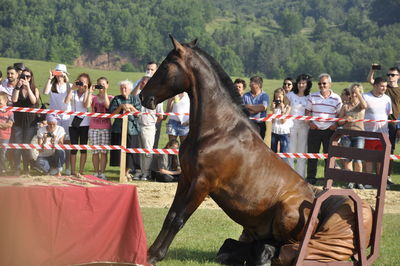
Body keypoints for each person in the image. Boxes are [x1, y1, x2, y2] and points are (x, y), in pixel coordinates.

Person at [305, 73, 342, 185]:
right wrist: (309, 123)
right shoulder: (312, 96)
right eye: (320, 83)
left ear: (330, 84)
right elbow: (307, 111)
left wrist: (336, 125)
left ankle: (329, 178)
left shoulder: (336, 98)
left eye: (324, 83)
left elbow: (340, 114)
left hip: (329, 130)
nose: (322, 85)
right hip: (315, 129)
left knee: (329, 156)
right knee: (312, 155)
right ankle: (311, 178)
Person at [368, 65, 399, 185]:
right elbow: (371, 81)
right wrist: (372, 70)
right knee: (381, 150)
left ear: (398, 76)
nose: (390, 77)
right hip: (384, 122)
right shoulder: (383, 87)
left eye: (393, 75)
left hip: (395, 123)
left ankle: (387, 176)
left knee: (390, 151)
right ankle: (380, 177)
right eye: (388, 75)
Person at [109, 80, 141, 180]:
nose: (123, 90)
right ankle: (122, 172)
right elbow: (112, 113)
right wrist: (121, 107)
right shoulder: (116, 99)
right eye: (122, 88)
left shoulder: (135, 99)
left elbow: (138, 114)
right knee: (119, 152)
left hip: (132, 130)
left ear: (130, 89)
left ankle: (126, 172)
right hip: (118, 129)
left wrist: (131, 107)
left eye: (125, 88)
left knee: (130, 152)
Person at [43, 64, 72, 175]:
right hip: (53, 115)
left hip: (66, 115)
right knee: (53, 140)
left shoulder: (68, 85)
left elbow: (70, 94)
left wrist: (67, 80)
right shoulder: (52, 84)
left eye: (61, 73)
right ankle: (54, 166)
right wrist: (50, 78)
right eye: (57, 72)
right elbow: (45, 92)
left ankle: (67, 167)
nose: (59, 75)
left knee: (66, 141)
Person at [337, 83, 367, 189]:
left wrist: (358, 93)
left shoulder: (361, 105)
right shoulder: (345, 106)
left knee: (358, 159)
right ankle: (350, 181)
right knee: (347, 159)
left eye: (356, 92)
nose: (354, 95)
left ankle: (358, 181)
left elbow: (365, 106)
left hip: (359, 134)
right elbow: (339, 122)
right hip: (346, 135)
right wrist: (345, 118)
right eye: (353, 92)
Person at [134, 76, 163, 181]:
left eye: (144, 83)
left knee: (147, 151)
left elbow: (160, 116)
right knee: (140, 151)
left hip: (148, 127)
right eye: (141, 83)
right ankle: (141, 171)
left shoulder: (156, 97)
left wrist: (152, 123)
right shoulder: (138, 96)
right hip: (138, 125)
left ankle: (146, 173)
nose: (142, 85)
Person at [12, 67, 40, 175]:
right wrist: (18, 87)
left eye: (28, 76)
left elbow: (33, 101)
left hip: (30, 122)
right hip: (18, 121)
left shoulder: (34, 89)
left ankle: (26, 168)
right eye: (23, 76)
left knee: (26, 146)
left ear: (31, 78)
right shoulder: (17, 88)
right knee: (17, 146)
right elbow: (14, 100)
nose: (25, 78)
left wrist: (28, 87)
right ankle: (17, 168)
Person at [85, 77, 113, 180]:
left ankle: (102, 173)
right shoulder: (93, 97)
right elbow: (87, 105)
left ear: (107, 85)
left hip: (105, 127)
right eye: (99, 84)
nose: (101, 86)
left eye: (103, 84)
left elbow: (108, 106)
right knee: (95, 152)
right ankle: (96, 172)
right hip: (93, 127)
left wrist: (105, 92)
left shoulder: (110, 97)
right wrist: (89, 92)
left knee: (104, 152)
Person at [363, 77, 392, 177]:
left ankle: (380, 181)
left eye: (385, 86)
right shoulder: (365, 96)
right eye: (382, 86)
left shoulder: (387, 98)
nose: (384, 88)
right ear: (375, 86)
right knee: (368, 160)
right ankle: (368, 181)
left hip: (383, 135)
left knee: (381, 160)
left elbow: (388, 114)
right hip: (369, 135)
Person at [64, 73, 91, 177]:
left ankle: (81, 171)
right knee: (74, 147)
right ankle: (73, 171)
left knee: (83, 147)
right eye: (80, 81)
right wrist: (71, 88)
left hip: (84, 123)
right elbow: (66, 101)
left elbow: (86, 105)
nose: (82, 84)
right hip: (73, 123)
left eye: (84, 82)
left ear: (88, 83)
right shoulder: (73, 92)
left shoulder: (89, 93)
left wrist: (87, 90)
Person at [286, 74, 312, 177]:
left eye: (303, 83)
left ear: (307, 84)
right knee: (290, 150)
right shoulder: (290, 95)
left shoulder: (309, 97)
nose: (301, 85)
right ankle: (291, 175)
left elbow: (311, 111)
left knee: (302, 151)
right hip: (292, 125)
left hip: (304, 126)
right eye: (300, 83)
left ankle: (300, 176)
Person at [270, 88, 292, 160]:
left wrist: (282, 110)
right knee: (273, 153)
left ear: (283, 97)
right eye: (276, 97)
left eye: (279, 97)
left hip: (284, 133)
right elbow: (272, 121)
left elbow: (283, 121)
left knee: (283, 154)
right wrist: (273, 110)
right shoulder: (274, 106)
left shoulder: (288, 107)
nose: (278, 99)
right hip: (274, 131)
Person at [0, 92, 14, 175]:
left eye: (0, 100)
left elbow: (9, 124)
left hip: (5, 136)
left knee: (3, 153)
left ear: (5, 101)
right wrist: (3, 125)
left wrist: (2, 125)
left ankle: (3, 169)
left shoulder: (10, 112)